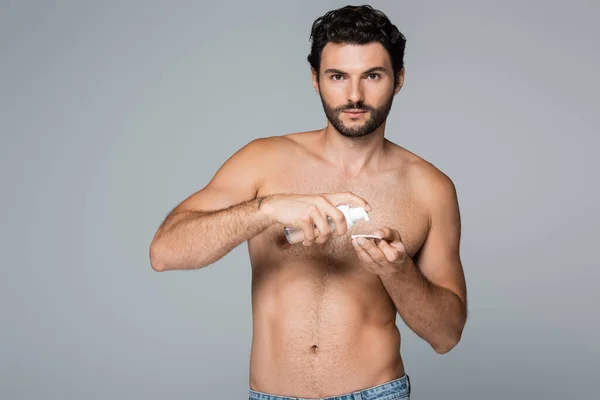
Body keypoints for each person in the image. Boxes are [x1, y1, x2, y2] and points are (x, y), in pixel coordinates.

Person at [149, 5, 467, 400]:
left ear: (398, 79)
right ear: (316, 79)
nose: (354, 95)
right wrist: (266, 208)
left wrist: (399, 271)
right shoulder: (263, 160)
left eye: (372, 75)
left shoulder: (430, 188)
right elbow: (165, 252)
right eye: (338, 76)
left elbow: (446, 335)